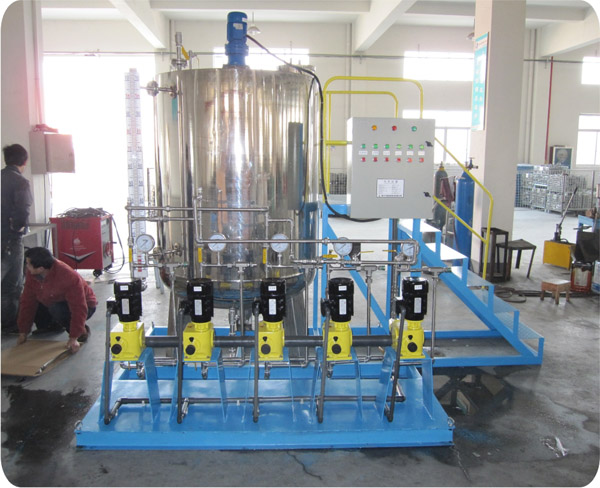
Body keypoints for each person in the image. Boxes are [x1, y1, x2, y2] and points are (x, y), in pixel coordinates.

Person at [17, 247, 97, 353]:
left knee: (57, 309)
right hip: (52, 297)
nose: (26, 266)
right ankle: (53, 325)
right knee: (31, 304)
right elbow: (27, 302)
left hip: (86, 305)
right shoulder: (32, 274)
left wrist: (74, 337)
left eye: (28, 264)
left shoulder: (68, 276)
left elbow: (79, 308)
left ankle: (82, 331)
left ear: (40, 269)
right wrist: (23, 331)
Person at [1, 144, 33, 334]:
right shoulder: (20, 182)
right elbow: (23, 210)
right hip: (9, 240)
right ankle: (9, 324)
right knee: (11, 285)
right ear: (24, 161)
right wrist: (17, 227)